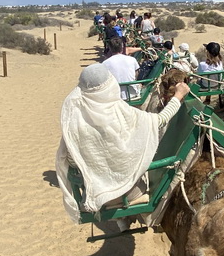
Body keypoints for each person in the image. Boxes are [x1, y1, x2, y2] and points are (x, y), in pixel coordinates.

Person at [56, 63, 191, 225]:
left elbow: (71, 159)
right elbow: (160, 120)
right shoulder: (122, 113)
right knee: (139, 162)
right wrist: (178, 96)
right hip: (128, 193)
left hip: (96, 193)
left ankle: (121, 221)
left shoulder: (74, 121)